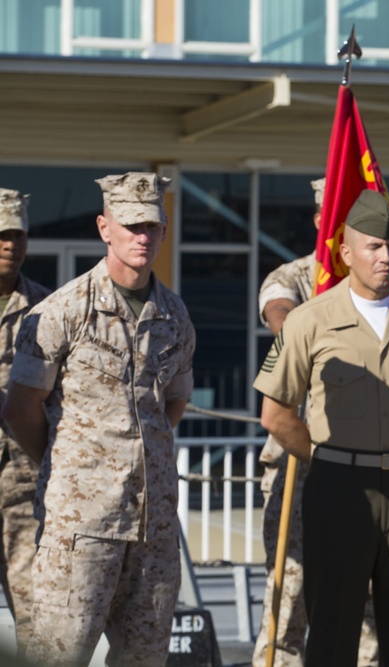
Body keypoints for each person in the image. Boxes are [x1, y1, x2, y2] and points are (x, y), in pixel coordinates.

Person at [254, 189, 389, 667]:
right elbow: (276, 413)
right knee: (333, 626)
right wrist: (330, 456)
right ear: (346, 253)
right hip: (338, 485)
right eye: (373, 246)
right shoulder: (310, 320)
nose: (386, 256)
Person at [3, 172, 196, 667]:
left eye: (152, 225)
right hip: (81, 526)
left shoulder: (175, 315)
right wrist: (71, 469)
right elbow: (21, 409)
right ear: (104, 227)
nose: (142, 236)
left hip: (153, 529)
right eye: (130, 224)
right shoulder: (62, 311)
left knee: (143, 658)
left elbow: (172, 403)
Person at [253, 178, 379, 667]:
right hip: (300, 465)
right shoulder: (296, 277)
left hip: (367, 464)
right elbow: (279, 312)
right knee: (289, 600)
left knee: (366, 602)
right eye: (336, 218)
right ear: (319, 222)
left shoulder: (384, 287)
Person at [0, 189, 50, 656]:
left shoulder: (46, 308)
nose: (10, 244)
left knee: (34, 607)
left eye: (17, 234)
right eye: (1, 234)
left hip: (21, 482)